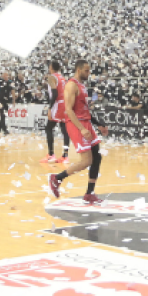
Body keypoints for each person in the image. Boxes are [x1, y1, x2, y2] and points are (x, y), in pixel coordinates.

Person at [47, 60, 106, 204]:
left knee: (97, 156)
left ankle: (89, 193)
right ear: (79, 70)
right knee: (86, 160)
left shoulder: (82, 86)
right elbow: (68, 110)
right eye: (86, 70)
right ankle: (57, 178)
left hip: (86, 122)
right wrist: (81, 128)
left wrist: (98, 124)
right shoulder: (71, 85)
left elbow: (84, 109)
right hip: (76, 124)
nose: (89, 73)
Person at [42, 60, 69, 165]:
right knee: (64, 130)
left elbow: (54, 92)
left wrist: (50, 107)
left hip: (57, 104)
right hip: (65, 104)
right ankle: (65, 156)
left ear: (51, 67)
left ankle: (51, 155)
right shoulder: (62, 77)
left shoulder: (51, 77)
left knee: (48, 128)